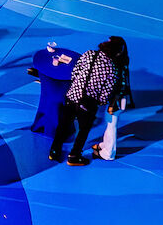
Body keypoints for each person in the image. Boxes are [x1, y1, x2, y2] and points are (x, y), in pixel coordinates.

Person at [49, 36, 129, 166]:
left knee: (63, 126)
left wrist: (77, 88)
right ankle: (74, 156)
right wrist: (99, 102)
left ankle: (54, 151)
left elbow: (75, 73)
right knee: (83, 130)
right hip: (87, 105)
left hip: (72, 96)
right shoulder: (112, 70)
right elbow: (105, 95)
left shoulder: (89, 54)